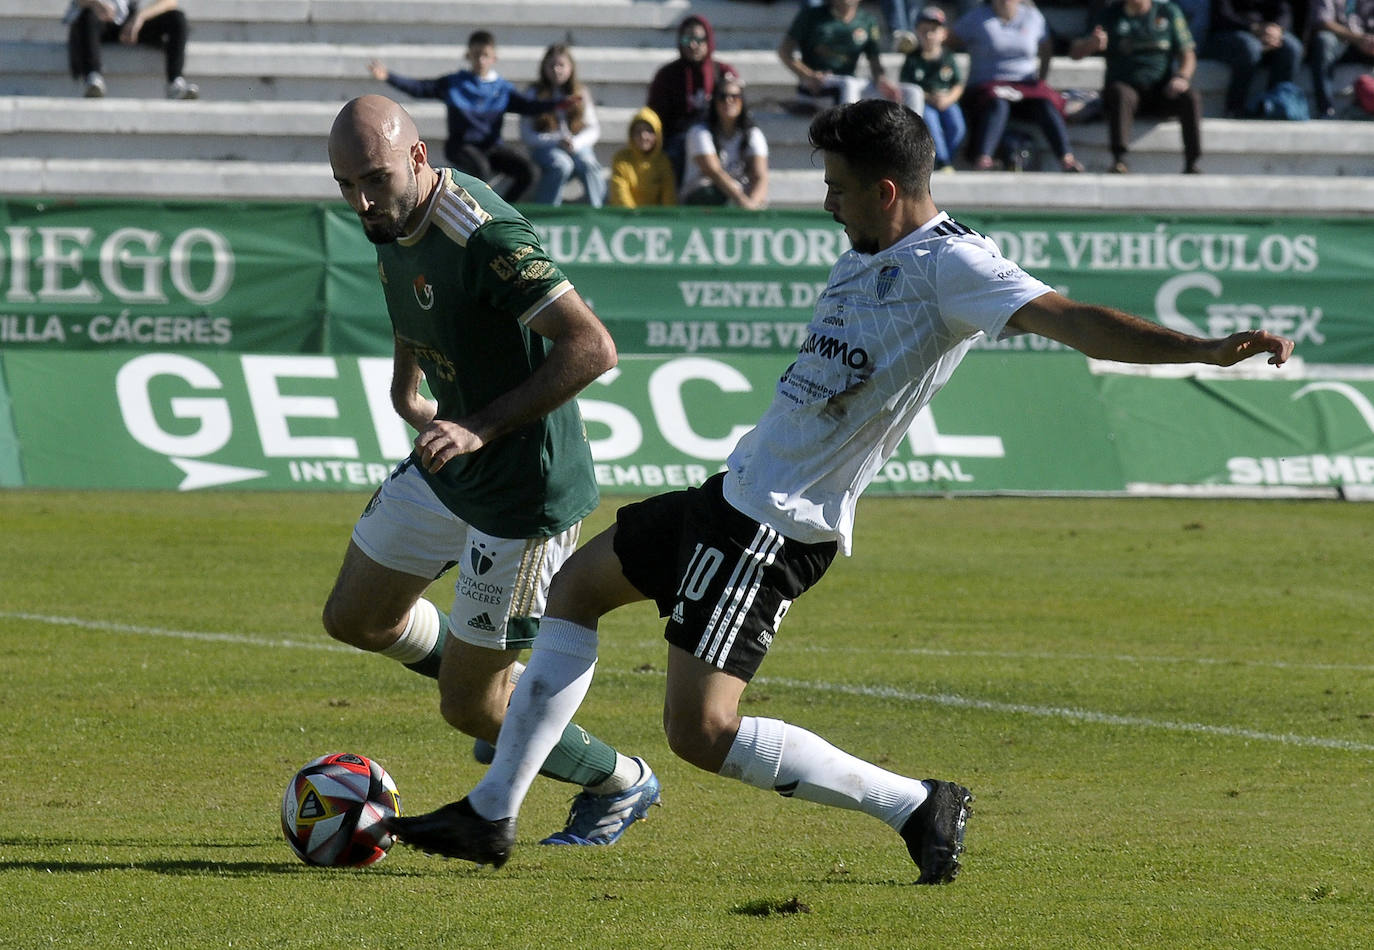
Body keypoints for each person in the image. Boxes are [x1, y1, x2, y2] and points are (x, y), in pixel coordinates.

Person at [385, 98, 1294, 876]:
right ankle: (493, 811)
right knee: (577, 588)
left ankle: (914, 805)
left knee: (699, 733)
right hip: (734, 492)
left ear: (886, 191)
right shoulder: (873, 246)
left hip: (776, 526)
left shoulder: (954, 267)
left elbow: (1074, 320)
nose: (826, 203)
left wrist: (1203, 349)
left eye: (836, 187)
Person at [323, 94, 660, 848]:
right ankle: (496, 690)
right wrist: (404, 386)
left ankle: (622, 781)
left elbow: (592, 347)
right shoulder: (389, 211)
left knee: (469, 710)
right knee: (355, 617)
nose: (362, 200)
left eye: (373, 179)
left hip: (522, 494)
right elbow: (410, 286)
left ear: (417, 157)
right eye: (346, 186)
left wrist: (476, 424)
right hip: (451, 462)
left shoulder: (484, 232)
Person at [369, 31, 574, 202]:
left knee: (528, 172)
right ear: (469, 56)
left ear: (494, 58)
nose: (481, 60)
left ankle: (503, 210)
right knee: (480, 169)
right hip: (462, 146)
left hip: (492, 147)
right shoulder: (455, 83)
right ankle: (475, 212)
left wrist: (558, 104)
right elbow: (419, 88)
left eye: (485, 55)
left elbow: (529, 106)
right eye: (476, 55)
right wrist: (388, 77)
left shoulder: (501, 89)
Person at [951, 0, 1085, 172]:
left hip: (1025, 83)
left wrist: (1041, 78)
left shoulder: (1032, 16)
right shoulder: (976, 17)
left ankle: (1067, 158)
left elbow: (1047, 47)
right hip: (987, 85)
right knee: (998, 103)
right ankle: (983, 158)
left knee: (1044, 102)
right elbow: (949, 39)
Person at [1071, 0, 1203, 174]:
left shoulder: (1167, 11)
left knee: (1190, 96)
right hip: (1126, 92)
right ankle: (1119, 160)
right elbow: (1074, 52)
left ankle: (1191, 163)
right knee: (1120, 92)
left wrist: (1182, 77)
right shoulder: (1110, 15)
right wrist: (1091, 44)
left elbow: (1188, 54)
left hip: (1161, 91)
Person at [778, 0, 924, 114]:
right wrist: (808, 75)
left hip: (849, 84)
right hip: (816, 86)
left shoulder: (867, 20)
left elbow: (874, 61)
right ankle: (850, 147)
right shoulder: (810, 15)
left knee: (913, 92)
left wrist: (882, 80)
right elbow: (784, 52)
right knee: (848, 85)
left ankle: (913, 148)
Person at [646, 15, 740, 184]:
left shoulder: (722, 72)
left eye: (699, 39)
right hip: (678, 139)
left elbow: (738, 109)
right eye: (687, 38)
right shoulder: (667, 75)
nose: (693, 44)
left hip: (717, 136)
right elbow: (654, 116)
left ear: (708, 40)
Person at [520, 43, 605, 206]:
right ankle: (547, 212)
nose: (556, 70)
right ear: (544, 67)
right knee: (561, 165)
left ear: (571, 68)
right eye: (551, 65)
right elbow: (527, 134)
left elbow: (593, 129)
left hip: (575, 146)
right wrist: (556, 140)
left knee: (588, 162)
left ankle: (598, 210)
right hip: (546, 147)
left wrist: (575, 142)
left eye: (561, 65)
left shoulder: (580, 92)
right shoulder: (534, 93)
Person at [64, 0, 198, 99]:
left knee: (177, 18)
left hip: (134, 24)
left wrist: (140, 17)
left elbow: (169, 2)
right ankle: (92, 77)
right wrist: (96, 4)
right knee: (88, 15)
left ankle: (175, 82)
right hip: (101, 22)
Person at [1204, 1, 1304, 117]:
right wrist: (1253, 28)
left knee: (1292, 47)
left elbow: (1284, 10)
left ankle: (1276, 104)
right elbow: (1222, 15)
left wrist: (1276, 29)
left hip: (1268, 32)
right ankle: (1235, 108)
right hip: (1230, 32)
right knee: (1250, 47)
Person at [679, 79, 770, 208]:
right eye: (722, 97)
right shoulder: (699, 132)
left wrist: (753, 204)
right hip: (702, 196)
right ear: (714, 102)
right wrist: (742, 201)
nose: (728, 101)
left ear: (742, 101)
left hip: (740, 197)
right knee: (712, 193)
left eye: (735, 96)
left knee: (759, 197)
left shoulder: (752, 134)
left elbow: (761, 176)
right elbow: (714, 171)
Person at [900, 6, 968, 171]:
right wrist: (929, 97)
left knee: (957, 126)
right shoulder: (912, 59)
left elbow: (958, 84)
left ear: (944, 33)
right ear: (917, 32)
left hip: (947, 100)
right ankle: (942, 161)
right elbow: (906, 86)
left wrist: (948, 99)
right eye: (924, 31)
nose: (929, 35)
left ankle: (947, 158)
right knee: (931, 123)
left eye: (934, 30)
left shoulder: (948, 57)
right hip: (926, 101)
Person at [1306, 0, 1374, 118]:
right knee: (1324, 40)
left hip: (1364, 42)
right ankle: (1325, 108)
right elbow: (1323, 22)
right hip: (1338, 40)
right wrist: (1357, 38)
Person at [608, 107, 678, 207]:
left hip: (656, 220)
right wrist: (636, 218)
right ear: (631, 135)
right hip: (626, 220)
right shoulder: (621, 159)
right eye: (638, 131)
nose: (643, 136)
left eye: (649, 131)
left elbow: (669, 199)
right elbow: (620, 196)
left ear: (657, 135)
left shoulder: (663, 162)